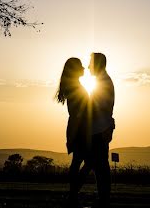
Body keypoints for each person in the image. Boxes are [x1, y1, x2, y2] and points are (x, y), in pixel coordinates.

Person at [55, 57, 88, 206]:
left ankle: (73, 194)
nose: (84, 68)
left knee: (79, 162)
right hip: (80, 129)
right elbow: (77, 113)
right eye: (80, 66)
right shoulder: (75, 87)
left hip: (79, 128)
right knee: (87, 162)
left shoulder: (74, 85)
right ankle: (73, 194)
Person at [86, 52, 115, 207]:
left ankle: (103, 200)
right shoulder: (102, 81)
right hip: (100, 128)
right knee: (99, 166)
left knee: (100, 166)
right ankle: (103, 199)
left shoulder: (103, 82)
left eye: (90, 62)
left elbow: (100, 107)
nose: (88, 66)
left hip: (99, 129)